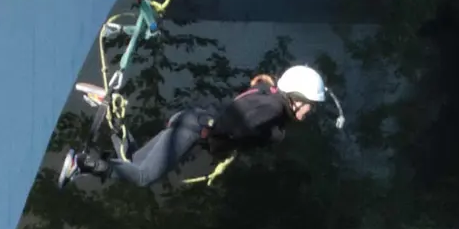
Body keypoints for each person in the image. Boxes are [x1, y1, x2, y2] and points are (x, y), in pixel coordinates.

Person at [59, 64, 339, 189]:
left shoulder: (271, 96)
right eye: (310, 105)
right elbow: (234, 122)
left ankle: (111, 110)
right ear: (296, 98)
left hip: (191, 120)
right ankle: (82, 163)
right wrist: (221, 139)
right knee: (143, 177)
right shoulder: (273, 108)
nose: (310, 111)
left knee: (132, 161)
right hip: (195, 129)